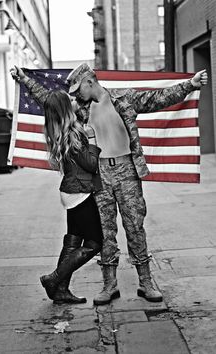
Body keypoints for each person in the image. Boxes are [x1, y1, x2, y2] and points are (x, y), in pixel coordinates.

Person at [11, 65, 208, 306]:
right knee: (105, 230)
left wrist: (191, 84)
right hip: (99, 173)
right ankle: (109, 284)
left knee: (135, 225)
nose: (75, 94)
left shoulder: (124, 98)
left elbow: (158, 99)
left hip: (126, 170)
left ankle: (146, 282)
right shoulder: (79, 109)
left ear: (89, 82)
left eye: (77, 88)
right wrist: (25, 80)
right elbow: (52, 103)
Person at [11, 68, 103, 304]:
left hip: (71, 191)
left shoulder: (59, 131)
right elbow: (91, 165)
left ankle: (60, 290)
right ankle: (54, 278)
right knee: (94, 243)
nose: (74, 99)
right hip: (79, 193)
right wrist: (91, 139)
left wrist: (25, 80)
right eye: (70, 99)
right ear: (65, 108)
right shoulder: (75, 134)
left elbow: (48, 101)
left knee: (73, 239)